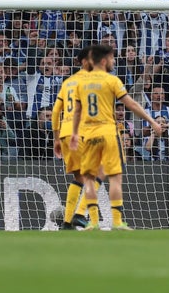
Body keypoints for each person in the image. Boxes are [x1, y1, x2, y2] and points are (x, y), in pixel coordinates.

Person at [70, 44, 162, 230]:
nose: (113, 62)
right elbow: (132, 105)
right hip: (108, 132)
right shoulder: (111, 80)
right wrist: (152, 121)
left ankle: (82, 215)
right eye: (112, 58)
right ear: (103, 61)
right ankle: (117, 221)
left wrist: (74, 133)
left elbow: (77, 110)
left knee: (93, 175)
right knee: (115, 178)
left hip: (88, 134)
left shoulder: (82, 82)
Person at [52, 45, 93, 229]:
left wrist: (56, 138)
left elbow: (55, 112)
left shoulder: (67, 82)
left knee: (79, 178)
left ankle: (67, 223)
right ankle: (79, 213)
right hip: (82, 132)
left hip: (65, 134)